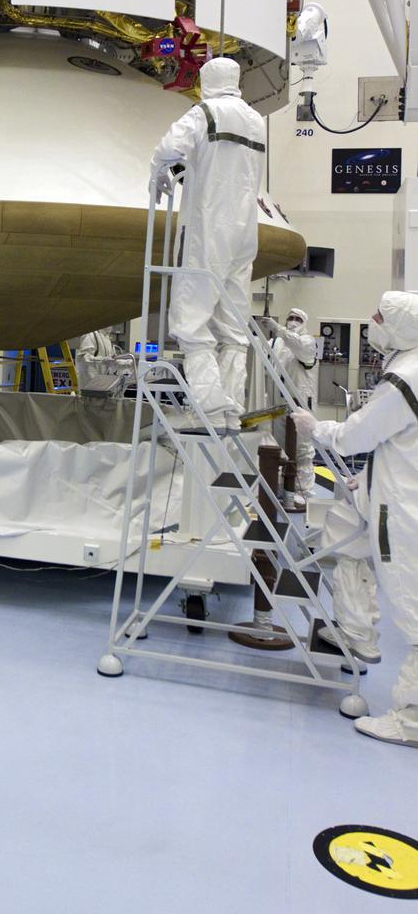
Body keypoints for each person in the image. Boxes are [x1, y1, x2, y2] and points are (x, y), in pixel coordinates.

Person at [293, 290, 418, 748]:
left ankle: (411, 721)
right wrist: (365, 483)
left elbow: (358, 434)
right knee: (348, 536)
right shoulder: (408, 363)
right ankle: (356, 630)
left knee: (412, 605)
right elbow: (398, 444)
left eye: (381, 317)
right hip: (389, 490)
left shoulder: (406, 377)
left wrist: (317, 427)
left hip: (404, 508)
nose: (373, 321)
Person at [150, 56, 265, 430]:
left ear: (206, 80)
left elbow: (169, 146)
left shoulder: (206, 114)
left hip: (208, 225)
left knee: (190, 321)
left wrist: (159, 173)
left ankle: (209, 409)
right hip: (245, 230)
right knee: (233, 327)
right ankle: (230, 408)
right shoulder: (256, 120)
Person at [262, 308, 318, 507]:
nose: (293, 321)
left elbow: (298, 345)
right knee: (278, 448)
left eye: (298, 319)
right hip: (277, 404)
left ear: (304, 322)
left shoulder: (307, 341)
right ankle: (280, 489)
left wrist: (277, 328)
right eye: (290, 318)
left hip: (299, 405)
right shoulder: (275, 343)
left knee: (302, 451)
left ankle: (304, 494)